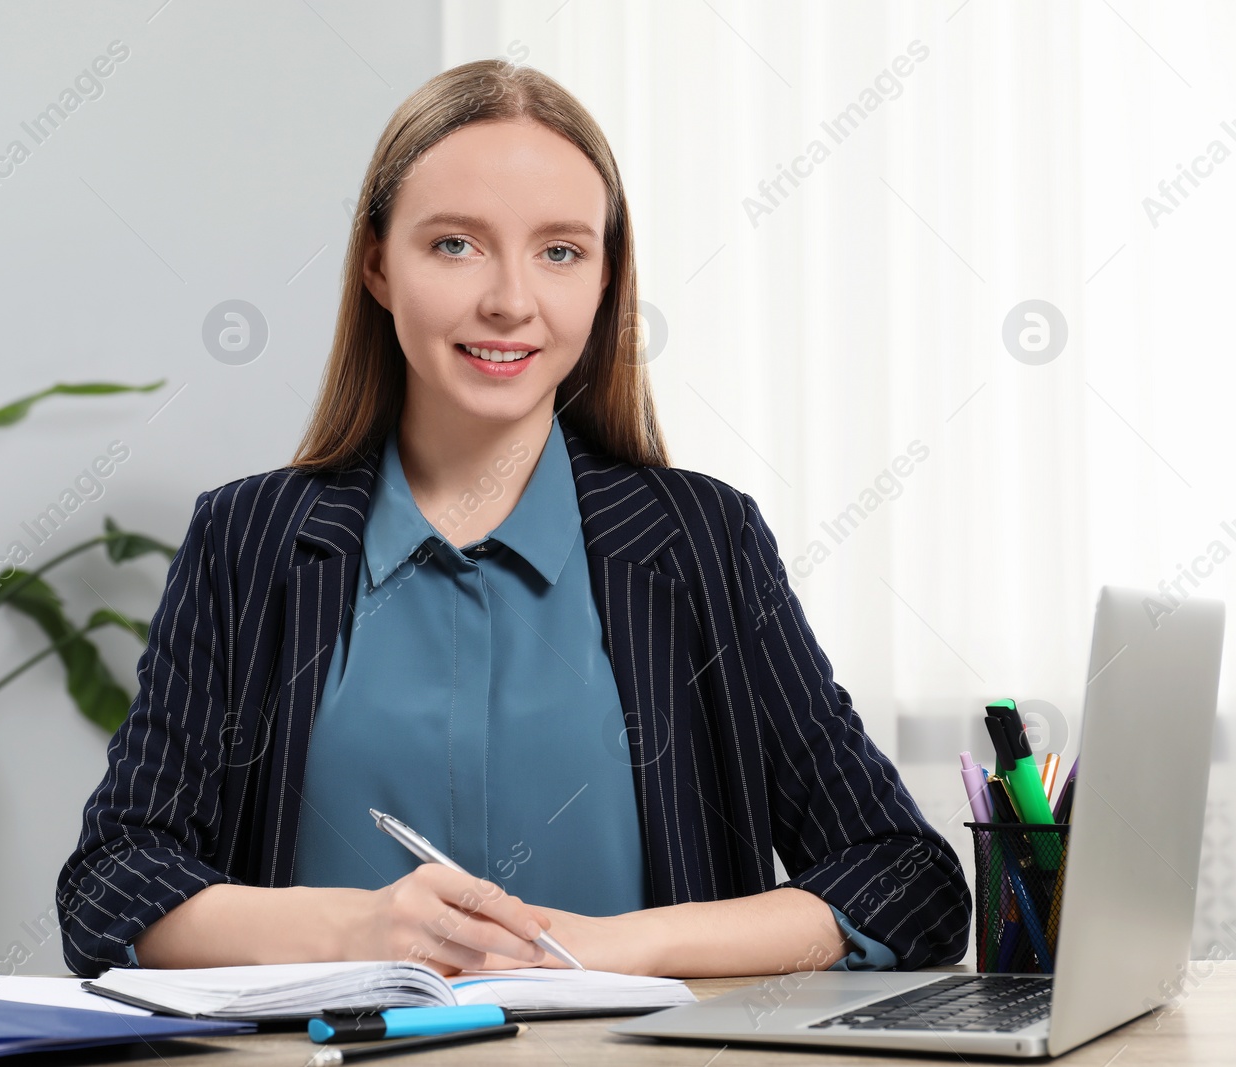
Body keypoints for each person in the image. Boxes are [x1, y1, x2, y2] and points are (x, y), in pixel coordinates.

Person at [56, 59, 970, 980]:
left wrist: (613, 947)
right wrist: (354, 930)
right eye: (455, 244)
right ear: (378, 265)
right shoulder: (248, 539)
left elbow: (905, 880)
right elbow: (112, 884)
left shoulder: (704, 538)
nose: (510, 300)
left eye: (560, 251)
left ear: (607, 277)